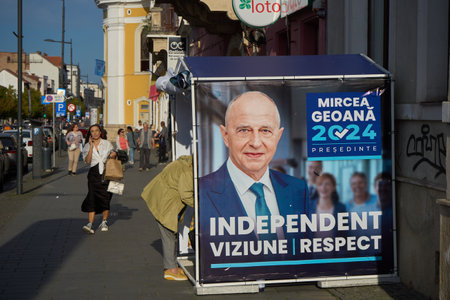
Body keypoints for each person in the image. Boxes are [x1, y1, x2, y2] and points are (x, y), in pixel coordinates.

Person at [199, 91, 309, 242]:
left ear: (278, 137)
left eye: (265, 131)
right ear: (225, 136)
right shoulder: (201, 192)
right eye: (244, 130)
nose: (256, 143)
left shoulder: (298, 189)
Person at [141, 155, 193, 281]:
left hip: (159, 197)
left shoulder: (182, 162)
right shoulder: (187, 170)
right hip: (165, 203)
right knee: (169, 235)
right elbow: (186, 195)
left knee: (169, 234)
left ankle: (172, 265)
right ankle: (170, 270)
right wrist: (200, 205)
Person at [81, 124, 117, 234]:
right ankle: (90, 224)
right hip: (93, 174)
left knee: (106, 198)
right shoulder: (87, 146)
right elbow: (87, 161)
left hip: (106, 174)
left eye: (97, 131)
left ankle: (104, 221)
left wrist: (114, 154)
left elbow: (114, 155)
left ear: (100, 132)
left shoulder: (107, 144)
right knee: (92, 197)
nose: (95, 133)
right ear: (90, 133)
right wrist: (91, 147)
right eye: (92, 131)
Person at [310, 173, 346, 238]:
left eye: (327, 184)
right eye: (320, 184)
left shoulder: (341, 208)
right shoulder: (308, 207)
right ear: (317, 187)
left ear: (334, 187)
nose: (323, 187)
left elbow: (344, 235)